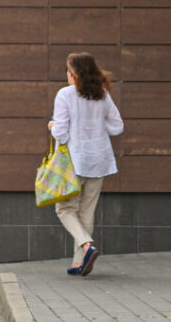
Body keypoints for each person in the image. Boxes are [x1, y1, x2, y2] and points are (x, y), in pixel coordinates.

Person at [48, 52, 124, 276]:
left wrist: (52, 126)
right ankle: (78, 263)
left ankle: (86, 246)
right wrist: (98, 128)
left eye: (68, 70)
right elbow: (117, 127)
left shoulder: (65, 95)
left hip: (75, 160)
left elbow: (61, 133)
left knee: (64, 209)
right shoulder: (101, 94)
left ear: (75, 74)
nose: (67, 75)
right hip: (99, 159)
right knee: (87, 211)